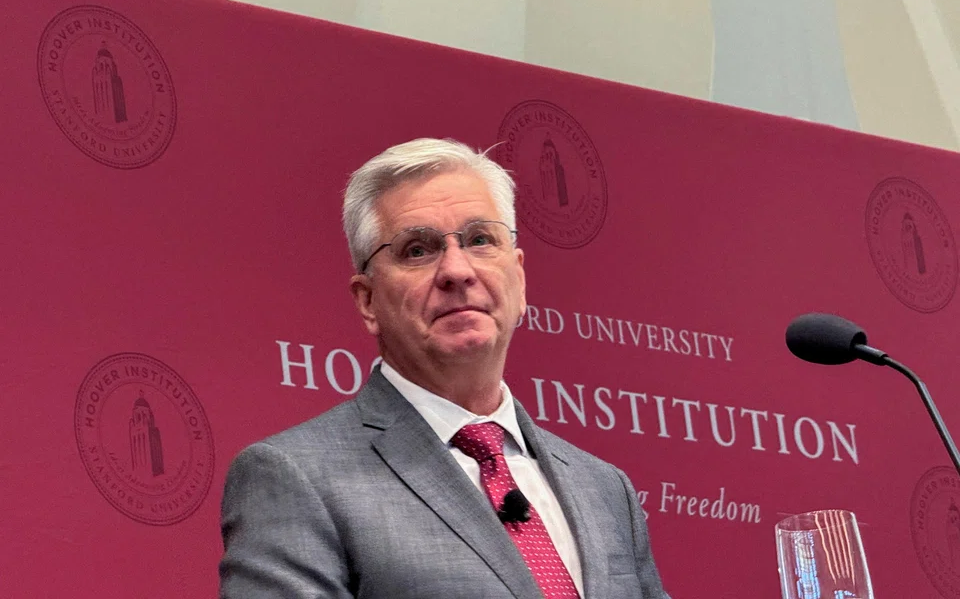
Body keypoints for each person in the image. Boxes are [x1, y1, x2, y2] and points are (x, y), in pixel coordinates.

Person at [219, 138, 670, 598]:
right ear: (368, 300)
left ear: (519, 279)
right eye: (418, 250)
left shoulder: (605, 489)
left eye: (480, 240)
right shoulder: (295, 475)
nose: (457, 270)